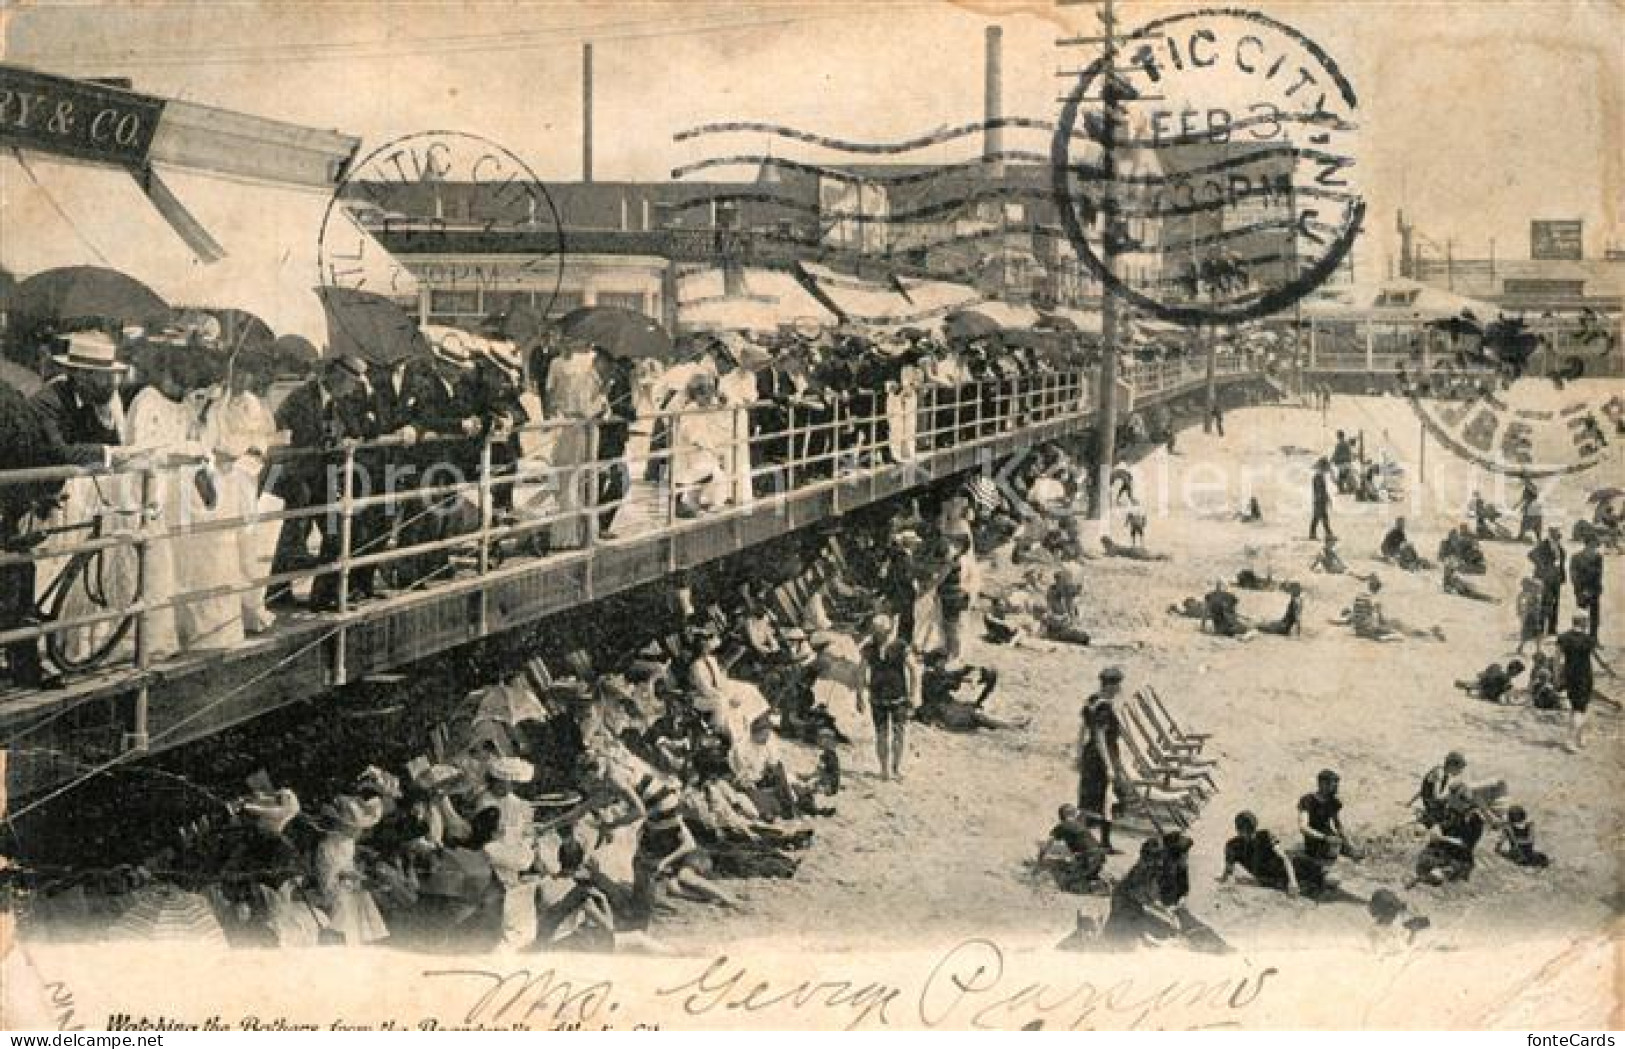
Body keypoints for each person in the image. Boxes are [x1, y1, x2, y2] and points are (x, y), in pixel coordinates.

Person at [266, 355, 375, 611]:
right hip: (295, 476)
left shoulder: (339, 403)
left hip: (322, 477)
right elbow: (297, 437)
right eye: (351, 384)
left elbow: (358, 430)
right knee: (291, 536)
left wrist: (351, 437)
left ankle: (323, 596)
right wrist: (331, 443)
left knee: (334, 533)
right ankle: (277, 593)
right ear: (338, 378)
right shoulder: (303, 398)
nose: (352, 390)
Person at [1077, 666, 1131, 853]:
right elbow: (1099, 735)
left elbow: (1083, 730)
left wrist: (1078, 754)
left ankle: (1085, 839)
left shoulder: (1092, 700)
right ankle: (1103, 843)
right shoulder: (1104, 706)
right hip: (1103, 754)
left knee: (1088, 798)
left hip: (1090, 753)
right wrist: (1108, 765)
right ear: (1110, 685)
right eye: (1117, 685)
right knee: (1106, 798)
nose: (1119, 690)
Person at [859, 613, 914, 782]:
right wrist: (859, 695)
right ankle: (884, 769)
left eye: (880, 632)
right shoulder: (869, 648)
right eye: (876, 632)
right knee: (881, 734)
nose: (878, 635)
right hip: (877, 697)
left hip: (899, 696)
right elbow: (861, 672)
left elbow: (914, 670)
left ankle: (895, 768)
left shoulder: (900, 646)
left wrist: (914, 694)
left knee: (899, 733)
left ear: (888, 631)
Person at [1219, 810, 1326, 897]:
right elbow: (1228, 870)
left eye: (1251, 831)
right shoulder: (1233, 846)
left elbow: (1285, 858)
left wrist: (1292, 882)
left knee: (1315, 870)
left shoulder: (1265, 835)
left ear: (1255, 828)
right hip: (1269, 877)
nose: (1249, 835)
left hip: (1284, 869)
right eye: (1245, 831)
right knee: (1314, 877)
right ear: (1238, 830)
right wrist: (1224, 880)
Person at [1555, 612, 1614, 752]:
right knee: (1580, 709)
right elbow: (1597, 657)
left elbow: (1556, 661)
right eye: (1586, 621)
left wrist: (1557, 677)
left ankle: (1580, 737)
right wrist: (1608, 670)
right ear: (1583, 622)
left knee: (1577, 708)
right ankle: (1570, 741)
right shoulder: (1588, 639)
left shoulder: (1563, 638)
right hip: (1585, 677)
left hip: (1570, 676)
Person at [1041, 804, 1107, 893]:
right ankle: (1095, 881)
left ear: (1060, 816)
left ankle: (1094, 887)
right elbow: (1092, 815)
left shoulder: (1062, 826)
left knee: (1065, 884)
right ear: (1073, 814)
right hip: (1100, 856)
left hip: (1087, 859)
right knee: (1087, 873)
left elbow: (1047, 844)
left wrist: (1040, 859)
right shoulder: (1080, 823)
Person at [1298, 769, 1356, 866]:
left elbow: (1338, 826)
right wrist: (1324, 838)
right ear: (1323, 784)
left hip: (1331, 837)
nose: (1336, 787)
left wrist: (1350, 844)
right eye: (1334, 784)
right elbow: (1303, 827)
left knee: (1355, 855)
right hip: (1315, 839)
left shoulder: (1333, 802)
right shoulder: (1308, 800)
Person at [1528, 527, 1566, 633]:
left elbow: (1561, 562)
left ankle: (1552, 628)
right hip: (1544, 579)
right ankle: (1540, 627)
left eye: (1559, 534)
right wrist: (1543, 566)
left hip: (1556, 578)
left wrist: (1562, 576)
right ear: (1551, 534)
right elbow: (1531, 555)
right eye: (1556, 534)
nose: (1558, 536)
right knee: (1543, 603)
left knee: (1554, 603)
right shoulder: (1543, 545)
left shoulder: (1559, 546)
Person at [1416, 751, 1467, 827]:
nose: (1460, 772)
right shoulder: (1440, 773)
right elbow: (1436, 796)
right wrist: (1450, 796)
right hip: (1433, 805)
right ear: (1452, 765)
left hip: (1431, 804)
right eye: (1459, 768)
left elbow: (1423, 790)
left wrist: (1409, 803)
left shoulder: (1444, 774)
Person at [1569, 531, 1604, 641]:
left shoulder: (1598, 557)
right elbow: (1574, 576)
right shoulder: (1576, 557)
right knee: (1580, 615)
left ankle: (1594, 639)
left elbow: (1599, 575)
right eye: (1593, 544)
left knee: (1595, 616)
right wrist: (1582, 590)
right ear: (1588, 544)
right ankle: (1579, 638)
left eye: (1596, 545)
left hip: (1594, 591)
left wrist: (1593, 589)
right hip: (1581, 591)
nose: (1595, 546)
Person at [1454, 660, 1525, 704]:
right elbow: (1504, 695)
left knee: (1478, 683)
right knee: (1495, 668)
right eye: (1518, 672)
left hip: (1485, 687)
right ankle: (1469, 686)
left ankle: (1468, 685)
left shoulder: (1503, 676)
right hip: (1488, 692)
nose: (1517, 674)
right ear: (1514, 671)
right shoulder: (1505, 678)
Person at [1516, 575, 1547, 655]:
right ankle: (1533, 649)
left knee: (1534, 634)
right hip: (1532, 617)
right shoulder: (1531, 596)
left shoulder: (1534, 596)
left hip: (1534, 617)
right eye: (1538, 588)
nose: (1540, 590)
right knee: (1533, 634)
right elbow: (1527, 606)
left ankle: (1536, 649)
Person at [1309, 458, 1335, 540]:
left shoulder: (1319, 477)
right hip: (1319, 501)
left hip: (1319, 500)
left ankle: (1313, 534)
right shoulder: (1318, 478)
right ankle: (1328, 534)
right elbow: (1320, 491)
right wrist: (1324, 499)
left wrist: (1327, 498)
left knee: (1317, 517)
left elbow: (1323, 490)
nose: (1325, 471)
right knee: (1323, 517)